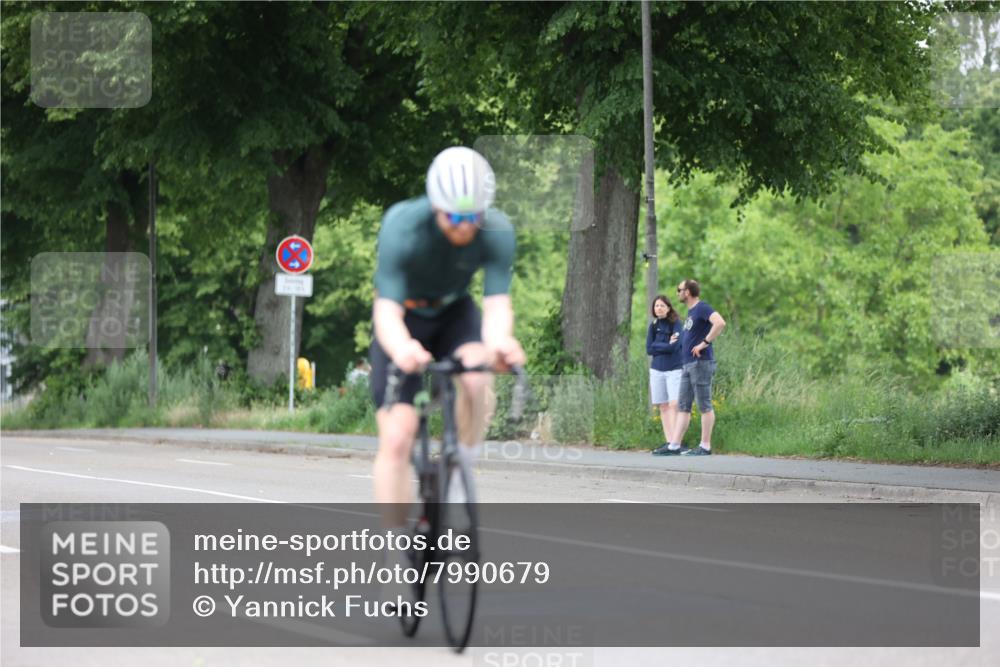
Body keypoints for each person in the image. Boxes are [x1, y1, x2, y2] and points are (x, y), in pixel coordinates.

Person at [369, 146, 525, 525]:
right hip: (403, 318)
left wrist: (500, 342)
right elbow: (385, 310)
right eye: (454, 216)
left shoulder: (497, 231)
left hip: (454, 314)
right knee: (396, 437)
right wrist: (403, 347)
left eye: (474, 216)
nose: (464, 226)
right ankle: (393, 555)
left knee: (477, 374)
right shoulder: (402, 226)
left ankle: (459, 471)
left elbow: (495, 305)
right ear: (435, 205)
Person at [661, 279, 726, 456]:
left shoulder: (702, 308)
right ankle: (674, 445)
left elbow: (720, 323)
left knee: (704, 404)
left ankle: (705, 446)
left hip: (701, 363)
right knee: (683, 406)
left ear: (687, 292)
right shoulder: (691, 313)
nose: (677, 293)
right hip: (687, 364)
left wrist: (704, 343)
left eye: (679, 289)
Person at [647, 295, 683, 456]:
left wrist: (658, 346)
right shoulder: (653, 326)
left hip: (674, 369)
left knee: (674, 404)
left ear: (668, 308)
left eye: (662, 305)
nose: (659, 308)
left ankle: (676, 442)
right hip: (656, 370)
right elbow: (649, 349)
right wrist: (663, 345)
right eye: (656, 306)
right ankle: (669, 443)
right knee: (663, 405)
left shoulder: (676, 324)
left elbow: (674, 348)